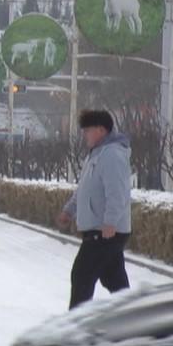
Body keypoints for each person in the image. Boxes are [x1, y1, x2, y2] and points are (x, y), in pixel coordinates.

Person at [58, 110, 133, 309]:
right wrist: (69, 210)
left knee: (82, 275)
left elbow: (118, 192)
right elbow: (85, 189)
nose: (85, 135)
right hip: (100, 229)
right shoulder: (96, 155)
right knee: (114, 280)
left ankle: (76, 325)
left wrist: (110, 222)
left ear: (101, 130)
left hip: (105, 231)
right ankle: (135, 318)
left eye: (88, 130)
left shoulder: (112, 155)